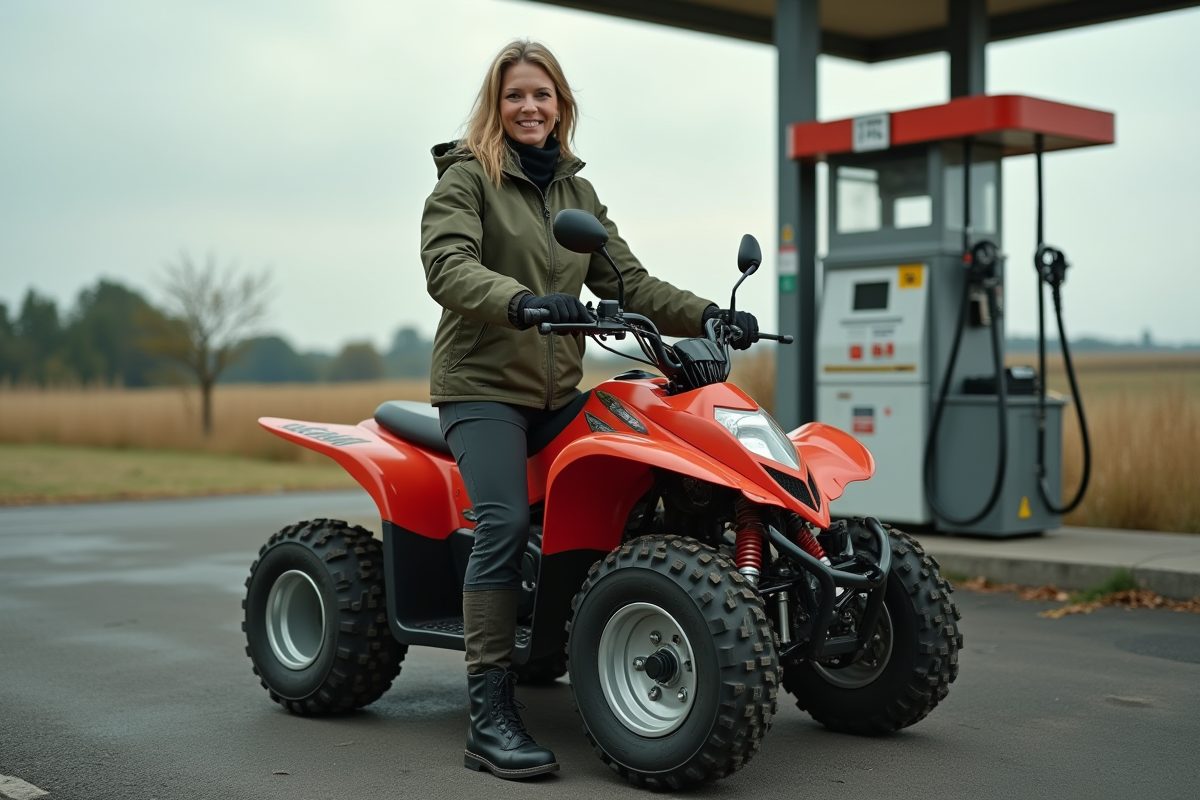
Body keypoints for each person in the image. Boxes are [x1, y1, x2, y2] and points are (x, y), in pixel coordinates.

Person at [420, 39, 758, 781]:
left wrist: (709, 314)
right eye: (515, 96)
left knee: (642, 486)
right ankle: (488, 711)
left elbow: (629, 282)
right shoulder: (466, 179)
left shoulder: (578, 194)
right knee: (504, 520)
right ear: (495, 105)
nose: (529, 107)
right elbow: (448, 268)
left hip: (556, 392)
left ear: (561, 106)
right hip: (481, 389)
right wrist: (519, 302)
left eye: (542, 95)